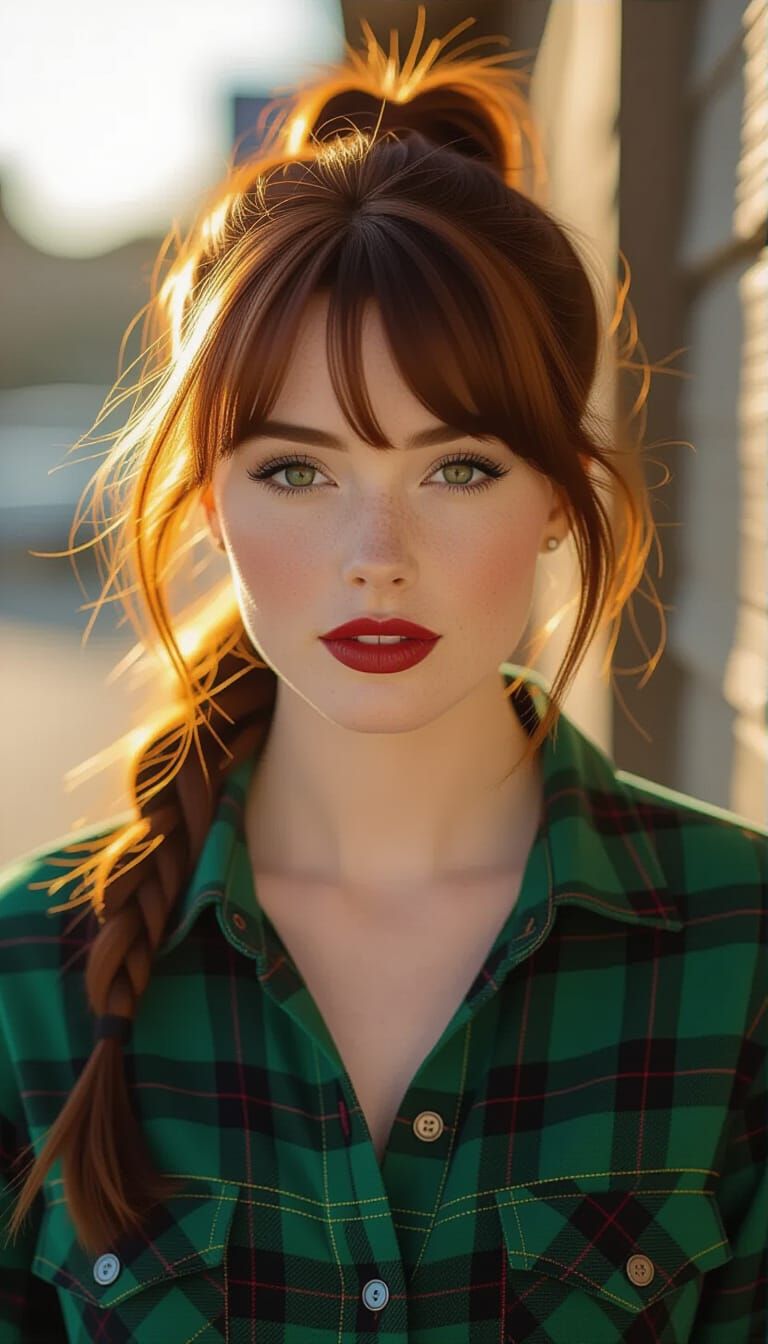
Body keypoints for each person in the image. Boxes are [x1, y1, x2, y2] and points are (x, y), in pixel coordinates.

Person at [1, 8, 765, 1342]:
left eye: (456, 468)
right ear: (205, 502)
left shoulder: (742, 951)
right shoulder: (28, 975)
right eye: (296, 472)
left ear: (554, 500)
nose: (376, 557)